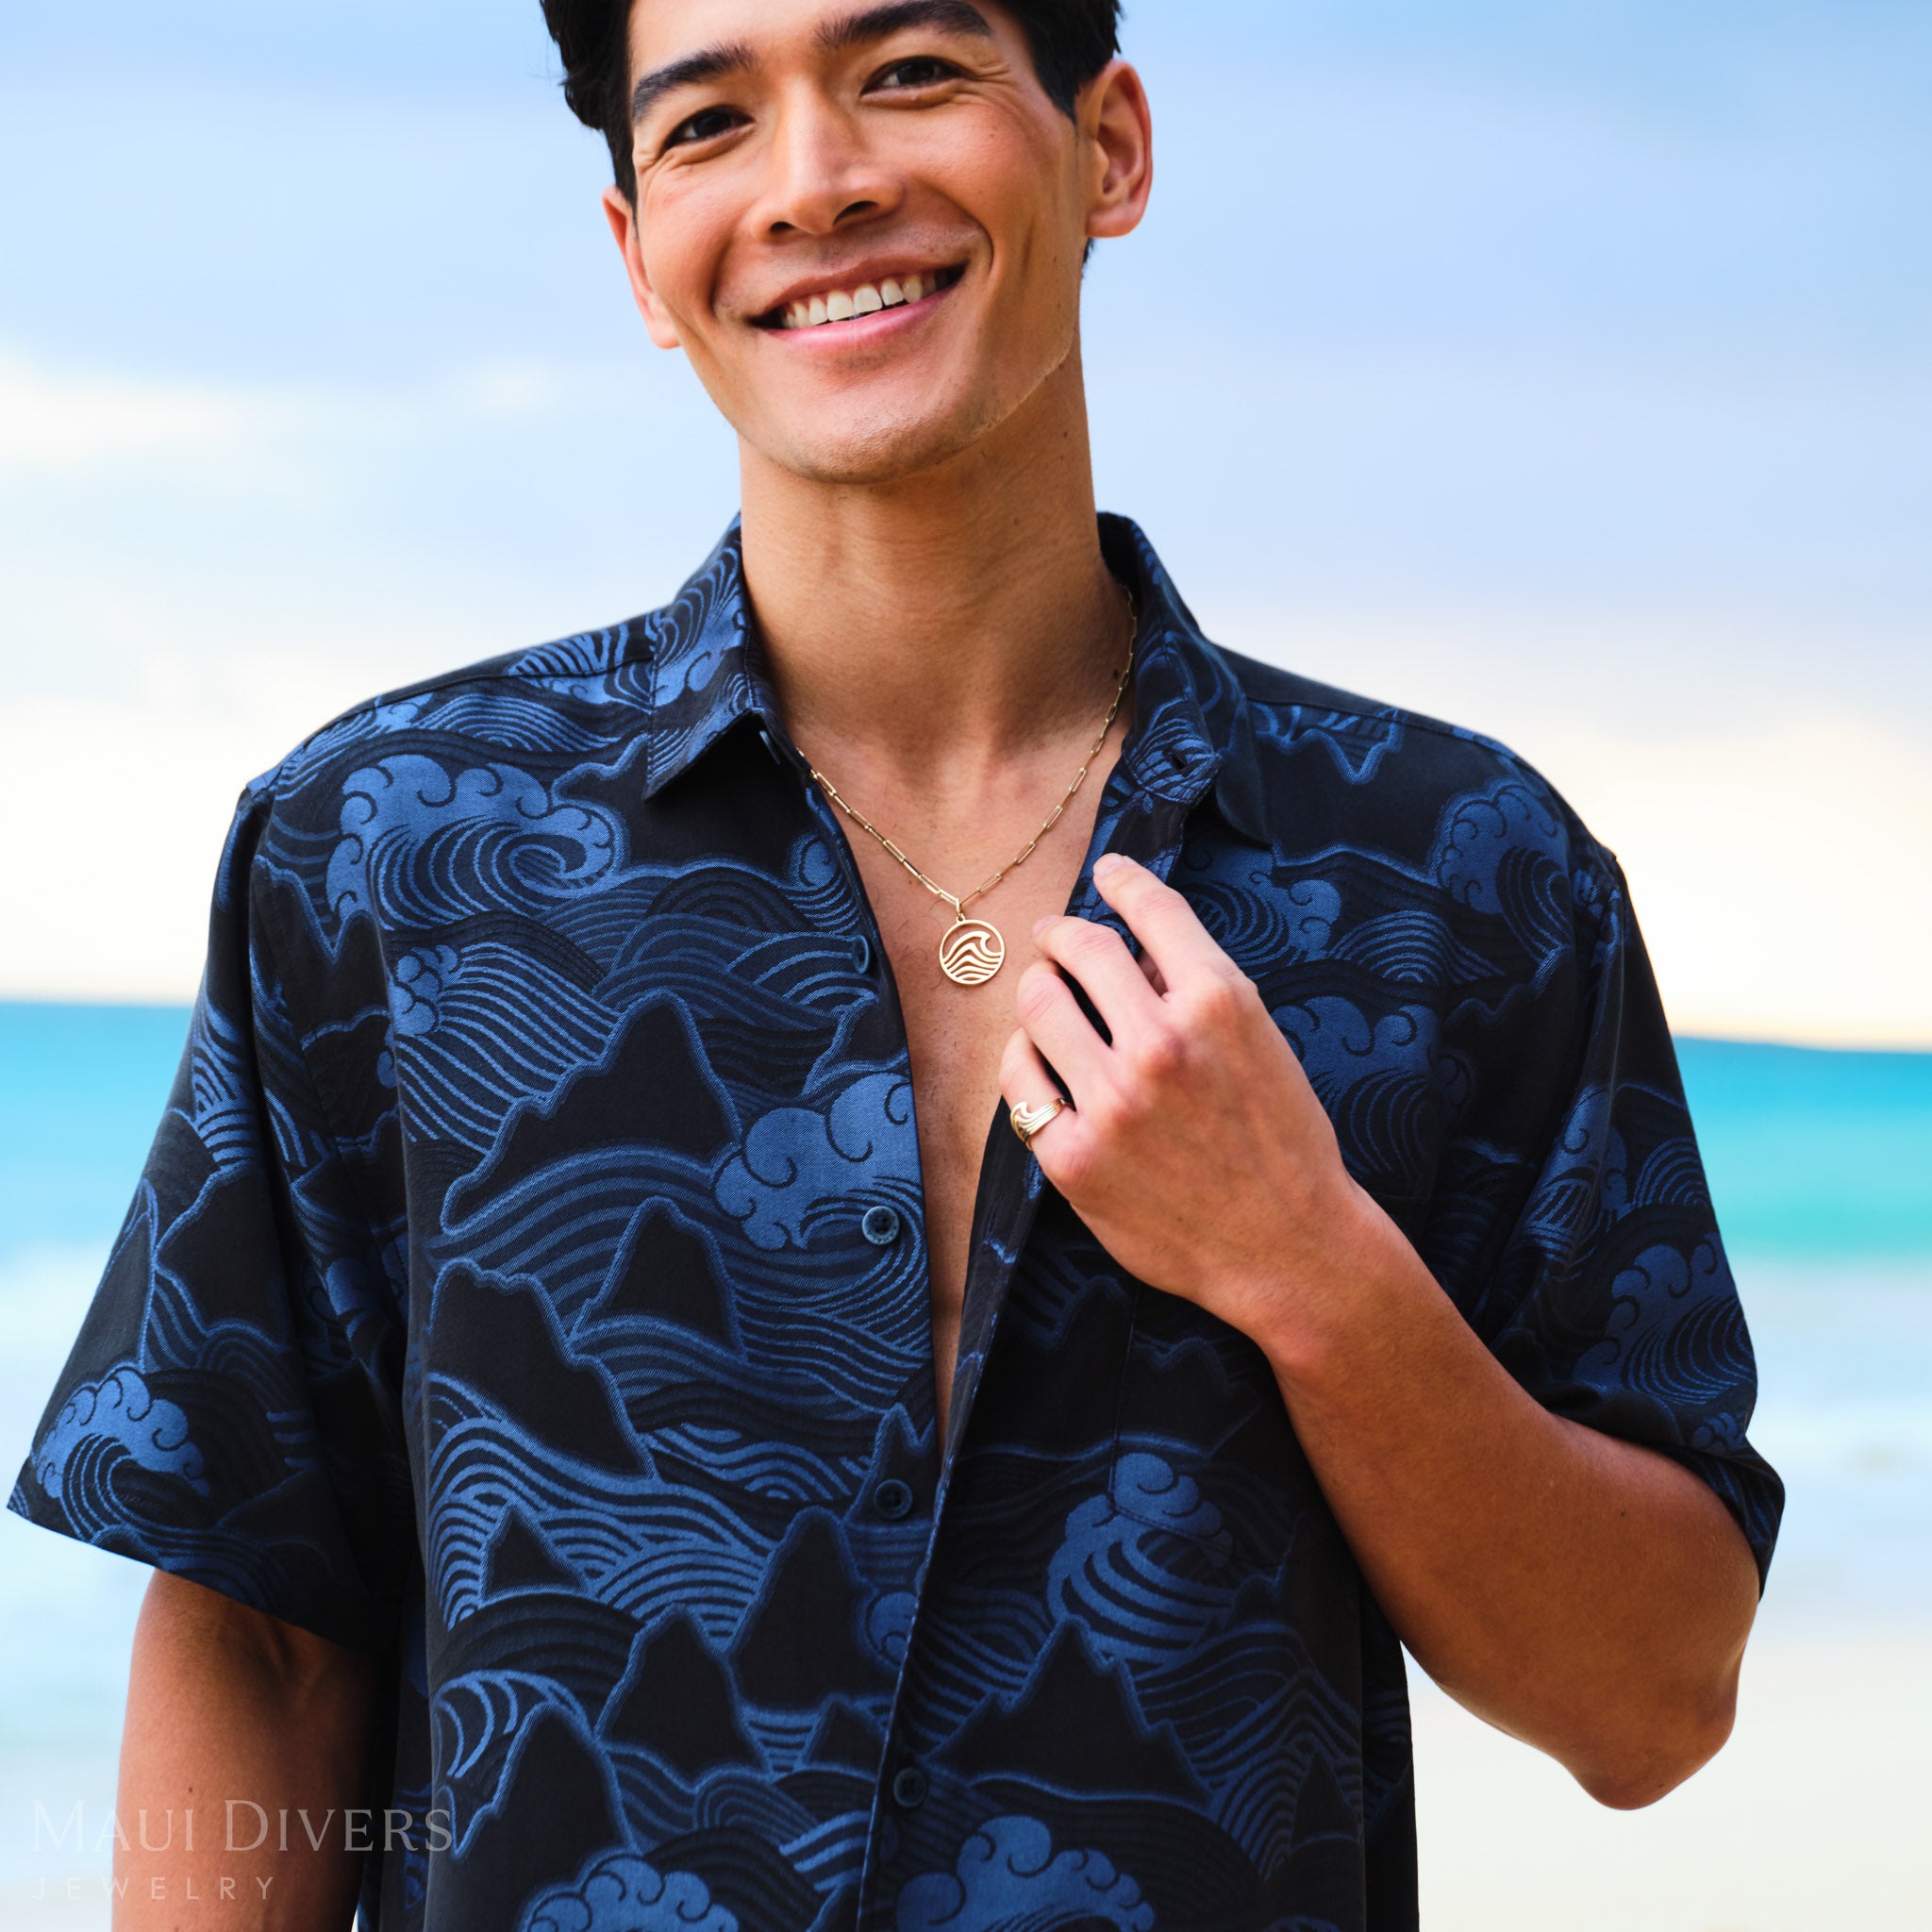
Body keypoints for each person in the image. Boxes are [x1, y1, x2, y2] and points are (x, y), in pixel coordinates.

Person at [9, 3, 1783, 1928]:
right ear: (636, 258)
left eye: (909, 75)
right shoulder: (386, 855)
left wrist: (1314, 1272)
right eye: (707, 127)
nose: (817, 183)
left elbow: (1649, 1701)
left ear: (1107, 146)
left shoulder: (1457, 877)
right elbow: (264, 1639)